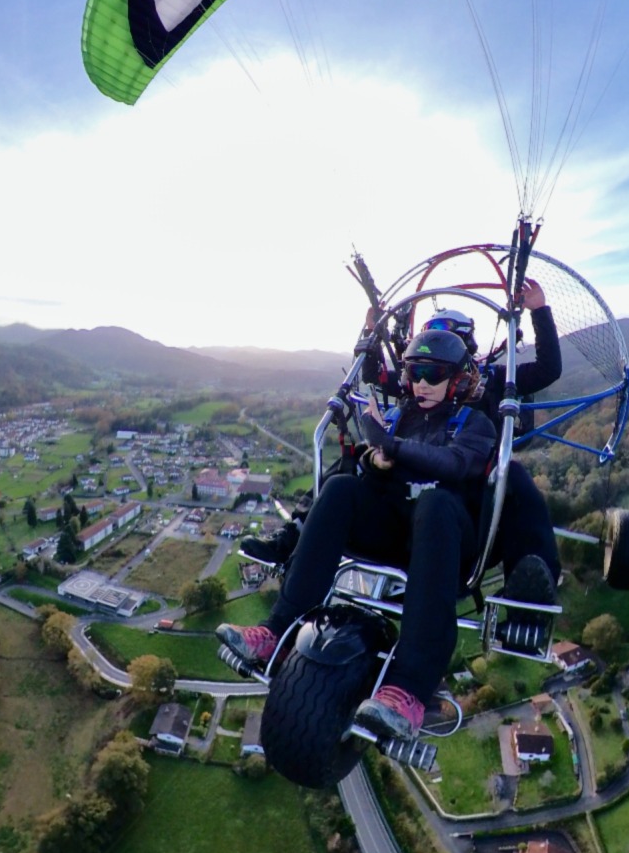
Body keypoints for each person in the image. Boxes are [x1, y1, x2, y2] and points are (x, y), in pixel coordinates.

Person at [241, 280, 565, 652]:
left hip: (468, 487)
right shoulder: (420, 380)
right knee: (351, 462)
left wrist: (539, 310)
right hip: (408, 486)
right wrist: (370, 332)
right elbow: (376, 375)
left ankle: (528, 595)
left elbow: (546, 369)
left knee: (513, 480)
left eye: (444, 341)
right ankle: (293, 536)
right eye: (425, 351)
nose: (425, 378)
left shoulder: (490, 379)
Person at [219, 328, 494, 740]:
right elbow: (375, 463)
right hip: (394, 527)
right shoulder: (400, 416)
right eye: (414, 371)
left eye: (432, 374)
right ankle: (276, 630)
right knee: (341, 486)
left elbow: (456, 465)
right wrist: (374, 457)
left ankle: (409, 689)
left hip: (444, 540)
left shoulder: (475, 423)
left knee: (436, 504)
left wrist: (392, 446)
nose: (421, 382)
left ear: (456, 379)